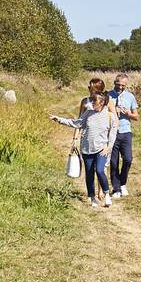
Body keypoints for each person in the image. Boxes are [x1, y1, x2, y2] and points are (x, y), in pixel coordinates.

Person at [51, 78, 119, 208]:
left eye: (94, 102)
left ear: (102, 103)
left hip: (101, 148)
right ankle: (92, 198)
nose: (91, 103)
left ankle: (106, 194)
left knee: (100, 170)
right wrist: (58, 119)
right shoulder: (88, 112)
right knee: (89, 174)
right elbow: (77, 123)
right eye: (92, 101)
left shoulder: (108, 115)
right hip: (87, 148)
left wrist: (109, 147)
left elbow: (113, 130)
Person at [107, 73, 139, 197]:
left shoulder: (130, 97)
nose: (120, 87)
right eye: (118, 84)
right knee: (113, 162)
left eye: (123, 85)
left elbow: (136, 116)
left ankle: (122, 183)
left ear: (126, 85)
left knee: (128, 159)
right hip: (112, 132)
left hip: (126, 132)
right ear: (114, 83)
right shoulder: (108, 95)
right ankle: (116, 188)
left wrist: (128, 113)